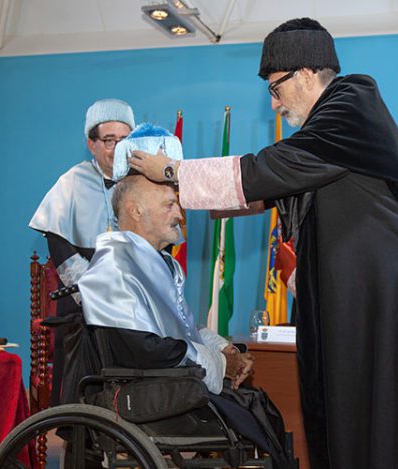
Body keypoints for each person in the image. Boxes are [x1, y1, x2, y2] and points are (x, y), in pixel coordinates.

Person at [129, 17, 398, 469]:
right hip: (361, 291)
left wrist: (172, 172)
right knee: (352, 406)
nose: (273, 105)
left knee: (385, 410)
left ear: (306, 74)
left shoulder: (350, 106)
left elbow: (264, 172)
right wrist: (189, 196)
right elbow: (275, 187)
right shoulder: (333, 125)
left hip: (386, 296)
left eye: (276, 88)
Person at [77, 167, 293, 468]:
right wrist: (219, 364)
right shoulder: (112, 266)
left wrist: (226, 349)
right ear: (136, 210)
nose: (180, 213)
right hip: (146, 393)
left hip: (173, 383)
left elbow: (184, 328)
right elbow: (147, 350)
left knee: (259, 405)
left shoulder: (158, 263)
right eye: (169, 204)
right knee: (255, 411)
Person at [28, 98, 135, 405]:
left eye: (124, 140)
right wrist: (90, 287)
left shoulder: (143, 182)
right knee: (80, 366)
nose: (116, 148)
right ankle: (78, 439)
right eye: (109, 140)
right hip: (81, 295)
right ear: (92, 143)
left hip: (131, 291)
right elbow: (57, 238)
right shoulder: (71, 182)